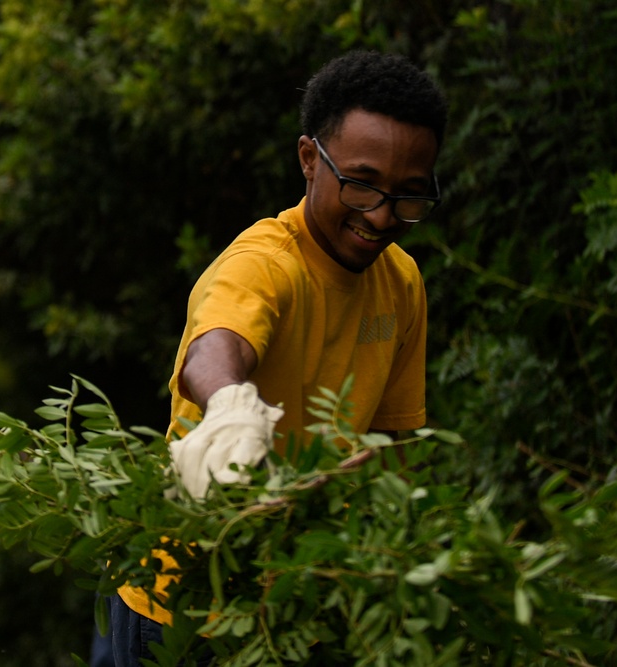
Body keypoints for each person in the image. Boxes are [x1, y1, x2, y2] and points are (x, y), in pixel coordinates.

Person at [110, 49, 448, 666]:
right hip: (191, 607)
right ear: (308, 160)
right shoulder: (265, 265)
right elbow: (214, 351)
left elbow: (394, 446)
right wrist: (233, 410)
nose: (380, 215)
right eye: (362, 183)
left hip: (306, 604)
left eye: (408, 195)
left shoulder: (401, 282)